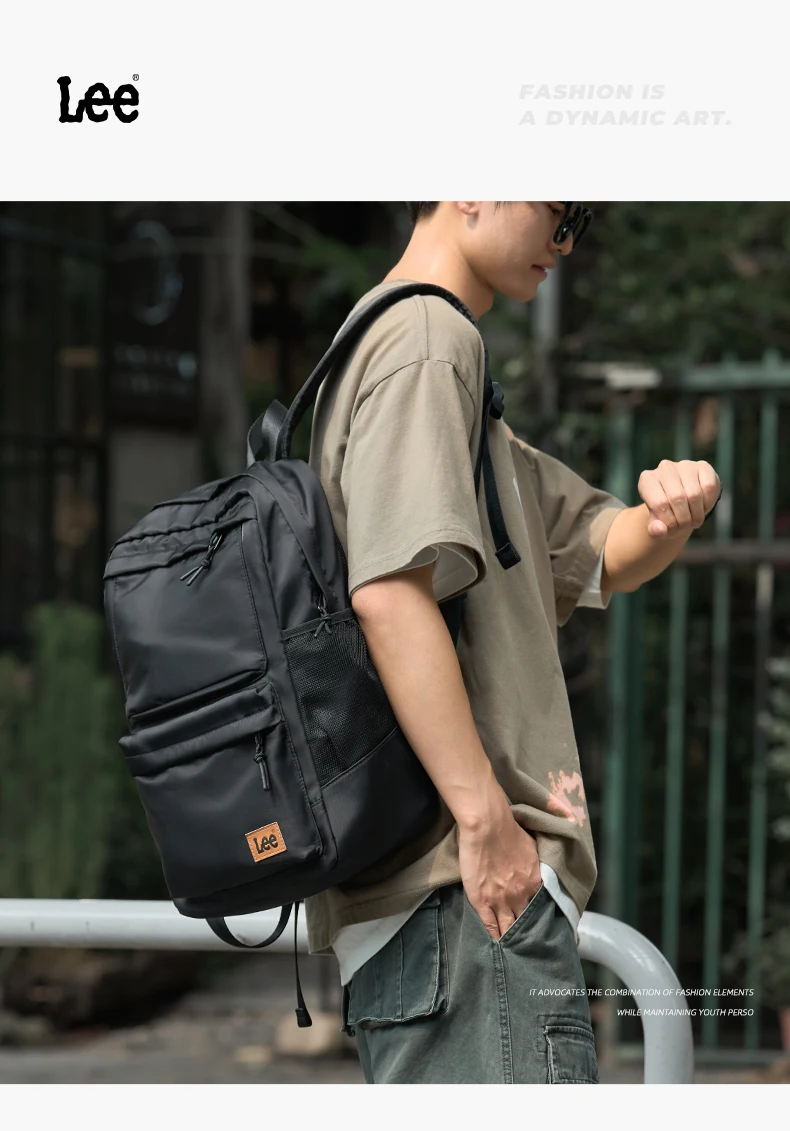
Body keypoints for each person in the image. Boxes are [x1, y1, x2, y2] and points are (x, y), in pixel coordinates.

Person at [304, 202, 721, 1084]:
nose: (565, 242)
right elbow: (389, 594)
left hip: (444, 904)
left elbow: (595, 550)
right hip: (467, 899)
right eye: (557, 210)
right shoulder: (427, 339)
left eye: (581, 220)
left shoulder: (412, 346)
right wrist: (487, 823)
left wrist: (671, 511)